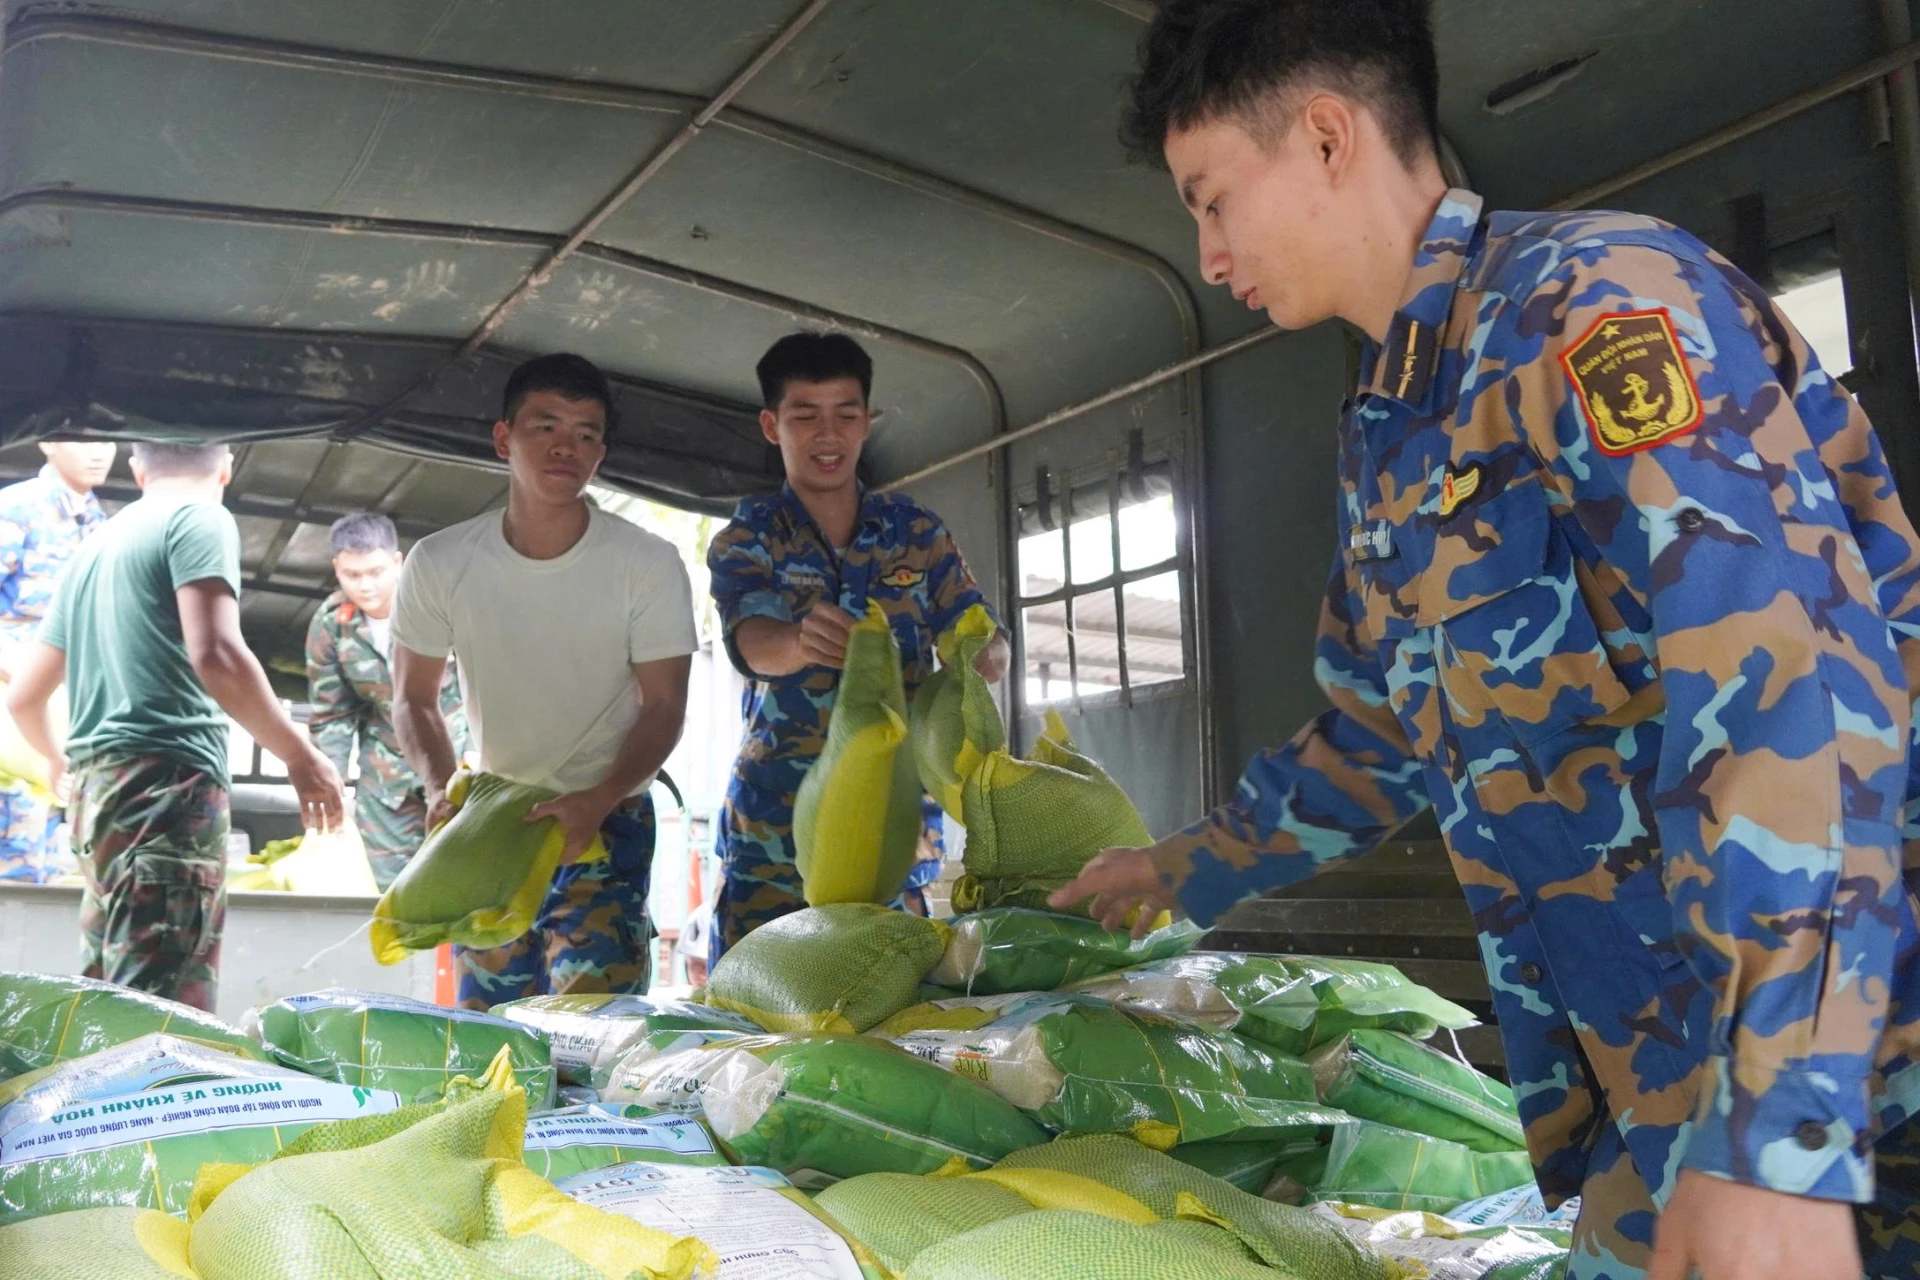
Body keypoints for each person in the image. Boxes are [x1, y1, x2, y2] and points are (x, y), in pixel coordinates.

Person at [1048, 4, 1920, 1278]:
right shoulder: (1394, 427)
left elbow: (1794, 686)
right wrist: (1180, 870)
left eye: (1212, 197)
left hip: (1841, 1077)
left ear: (1330, 135)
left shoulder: (1602, 308)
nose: (1209, 249)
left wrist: (1775, 1126)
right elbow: (1379, 735)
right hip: (1664, 1079)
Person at [391, 353, 696, 1010]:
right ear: (504, 438)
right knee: (490, 1020)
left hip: (607, 818)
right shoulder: (441, 561)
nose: (568, 447)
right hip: (492, 820)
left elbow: (665, 705)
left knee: (594, 1028)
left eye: (587, 434)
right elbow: (413, 700)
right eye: (547, 426)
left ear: (601, 453)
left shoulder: (646, 562)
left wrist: (604, 795)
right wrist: (441, 789)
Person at [6, 441, 344, 1012]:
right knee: (160, 1009)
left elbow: (22, 697)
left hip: (98, 793)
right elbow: (215, 652)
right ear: (226, 467)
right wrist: (299, 755)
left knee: (109, 993)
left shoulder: (95, 545)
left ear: (137, 469)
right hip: (168, 785)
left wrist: (57, 759)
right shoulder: (200, 517)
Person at [706, 332, 1010, 966]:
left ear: (867, 423)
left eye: (846, 413)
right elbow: (752, 642)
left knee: (884, 997)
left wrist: (979, 662)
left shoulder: (916, 533)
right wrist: (796, 641)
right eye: (805, 415)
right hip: (774, 822)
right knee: (757, 1018)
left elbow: (978, 633)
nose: (828, 435)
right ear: (771, 425)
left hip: (891, 820)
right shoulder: (751, 533)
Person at [306, 511, 469, 890]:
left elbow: (487, 686)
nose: (366, 586)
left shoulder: (441, 605)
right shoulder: (332, 623)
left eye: (376, 572)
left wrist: (482, 759)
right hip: (385, 781)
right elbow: (332, 714)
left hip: (457, 762)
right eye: (353, 575)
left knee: (460, 884)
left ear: (398, 562)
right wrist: (332, 783)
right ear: (336, 569)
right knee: (392, 893)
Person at [0, 441, 115, 882]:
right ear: (47, 441)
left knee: (55, 851)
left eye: (106, 439)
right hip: (13, 708)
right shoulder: (15, 508)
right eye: (83, 440)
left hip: (69, 709)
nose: (98, 452)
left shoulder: (98, 520)